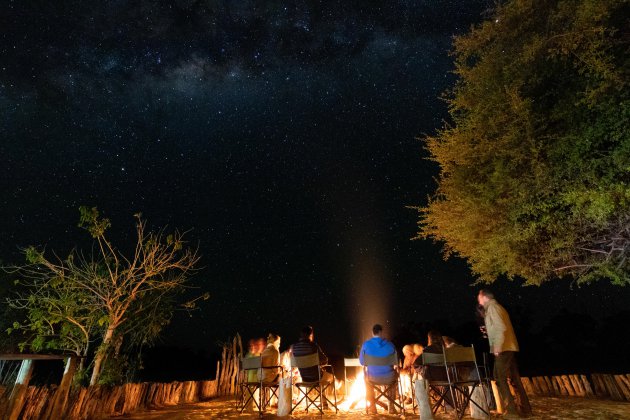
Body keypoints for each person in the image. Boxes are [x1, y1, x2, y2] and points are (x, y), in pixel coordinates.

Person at [478, 289, 532, 418]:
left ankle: (511, 411)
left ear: (485, 297)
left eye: (479, 298)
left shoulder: (492, 308)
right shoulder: (497, 308)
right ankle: (525, 410)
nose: (478, 301)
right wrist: (488, 332)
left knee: (499, 378)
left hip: (503, 348)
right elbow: (499, 326)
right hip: (509, 346)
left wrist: (497, 346)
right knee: (515, 380)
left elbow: (501, 327)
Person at [360, 324, 399, 414]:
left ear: (372, 332)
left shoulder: (366, 345)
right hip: (389, 378)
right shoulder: (390, 345)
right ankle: (391, 407)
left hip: (372, 378)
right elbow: (396, 362)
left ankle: (372, 407)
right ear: (381, 332)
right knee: (394, 378)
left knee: (365, 378)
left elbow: (362, 362)